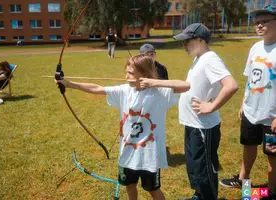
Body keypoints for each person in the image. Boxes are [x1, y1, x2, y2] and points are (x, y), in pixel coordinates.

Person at [57, 54, 190, 200]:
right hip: (128, 153)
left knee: (153, 189)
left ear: (145, 74)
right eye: (126, 72)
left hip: (149, 155)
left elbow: (185, 85)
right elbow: (96, 88)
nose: (127, 76)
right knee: (130, 186)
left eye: (131, 73)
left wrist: (154, 82)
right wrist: (68, 84)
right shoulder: (124, 91)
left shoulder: (159, 93)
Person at [173, 23, 238, 200]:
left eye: (187, 41)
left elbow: (231, 85)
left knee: (205, 169)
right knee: (194, 166)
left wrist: (211, 106)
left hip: (203, 127)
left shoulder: (210, 58)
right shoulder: (199, 58)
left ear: (200, 40)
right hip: (192, 123)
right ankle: (199, 195)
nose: (184, 46)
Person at [219, 5, 276, 200]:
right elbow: (250, 79)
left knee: (272, 154)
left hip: (272, 117)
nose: (259, 25)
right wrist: (244, 102)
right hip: (252, 111)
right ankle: (244, 183)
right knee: (249, 145)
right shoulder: (255, 48)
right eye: (257, 22)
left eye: (264, 21)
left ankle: (271, 192)